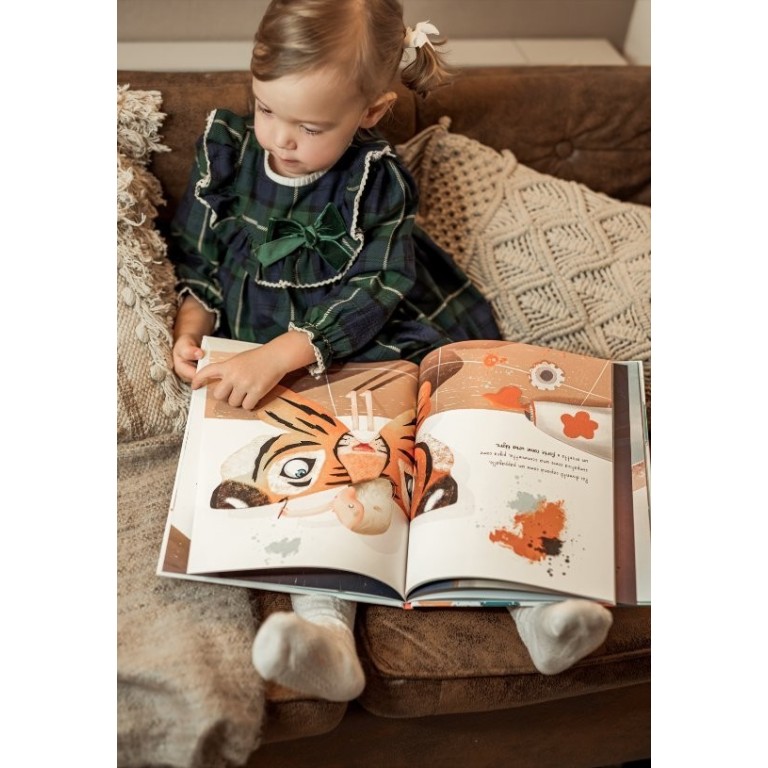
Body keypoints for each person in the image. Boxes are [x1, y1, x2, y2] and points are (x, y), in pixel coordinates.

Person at [169, 0, 613, 703]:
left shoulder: (375, 176)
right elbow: (199, 252)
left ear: (370, 112)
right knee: (326, 477)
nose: (280, 138)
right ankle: (325, 632)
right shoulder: (226, 147)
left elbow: (381, 286)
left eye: (311, 127)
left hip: (378, 332)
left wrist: (286, 352)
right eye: (266, 108)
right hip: (277, 353)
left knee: (453, 451)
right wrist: (192, 323)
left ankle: (539, 607)